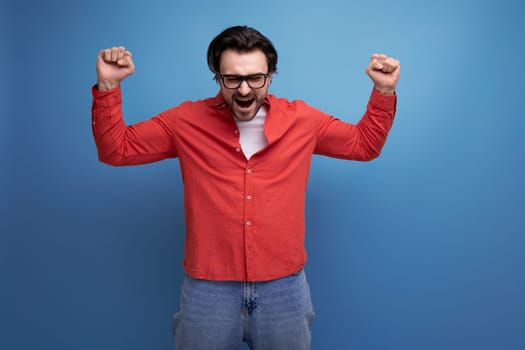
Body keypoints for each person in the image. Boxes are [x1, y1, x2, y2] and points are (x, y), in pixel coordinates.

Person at [92, 25, 399, 350]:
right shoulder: (185, 121)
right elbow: (117, 150)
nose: (244, 90)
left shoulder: (303, 121)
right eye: (232, 79)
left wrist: (384, 92)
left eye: (256, 78)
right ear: (217, 77)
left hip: (284, 290)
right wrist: (109, 85)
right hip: (207, 291)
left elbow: (364, 145)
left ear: (270, 75)